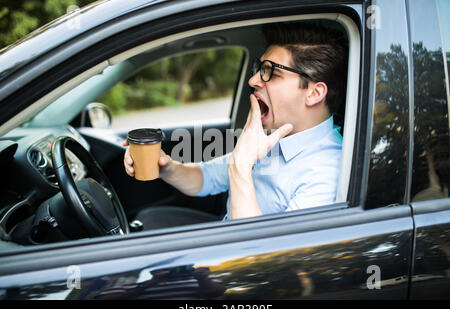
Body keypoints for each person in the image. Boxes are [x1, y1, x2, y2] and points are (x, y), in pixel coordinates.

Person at [123, 22, 348, 222]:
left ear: (314, 93)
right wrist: (166, 167)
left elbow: (258, 259)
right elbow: (206, 178)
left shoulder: (326, 172)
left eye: (271, 73)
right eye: (259, 69)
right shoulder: (274, 135)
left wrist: (241, 166)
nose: (253, 80)